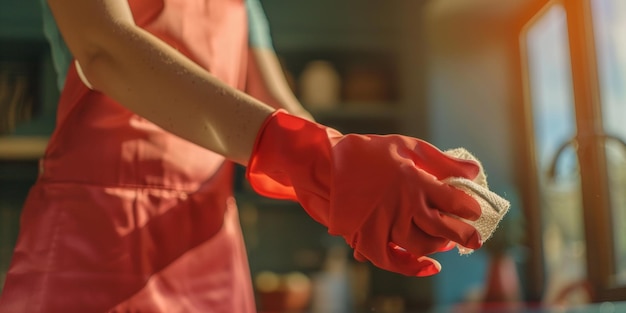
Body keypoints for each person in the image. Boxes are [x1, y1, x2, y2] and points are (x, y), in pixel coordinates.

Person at [0, 0, 492, 312]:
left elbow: (284, 111)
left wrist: (350, 172)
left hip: (209, 241)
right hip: (95, 233)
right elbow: (105, 47)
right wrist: (316, 159)